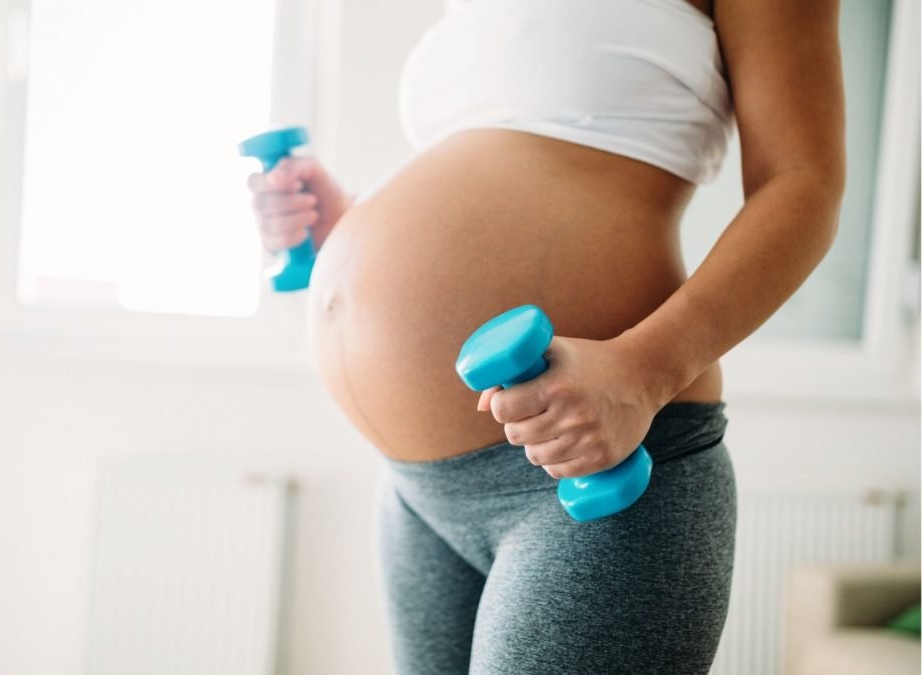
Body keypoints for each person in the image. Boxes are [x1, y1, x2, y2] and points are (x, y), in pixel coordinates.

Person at [246, 0, 845, 672]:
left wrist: (643, 370)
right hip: (419, 493)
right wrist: (352, 226)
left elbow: (803, 185)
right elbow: (510, 165)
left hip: (591, 474)